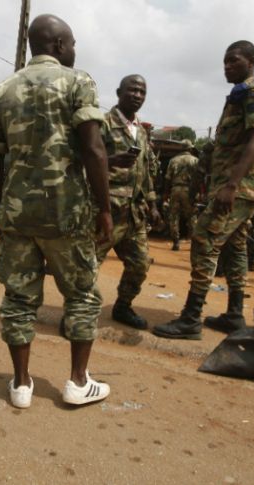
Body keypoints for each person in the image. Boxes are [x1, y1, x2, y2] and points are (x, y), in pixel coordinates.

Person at [0, 14, 114, 409]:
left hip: (18, 216)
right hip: (67, 214)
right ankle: (78, 381)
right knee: (81, 295)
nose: (75, 51)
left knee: (19, 299)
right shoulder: (79, 83)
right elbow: (93, 149)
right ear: (58, 46)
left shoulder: (4, 89)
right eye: (72, 44)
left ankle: (22, 385)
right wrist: (105, 209)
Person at [153, 40, 254, 339]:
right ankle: (234, 315)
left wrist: (232, 184)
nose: (226, 66)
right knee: (234, 249)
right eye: (224, 61)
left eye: (233, 60)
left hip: (240, 187)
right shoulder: (239, 96)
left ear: (251, 62)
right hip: (238, 187)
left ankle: (191, 318)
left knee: (204, 238)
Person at [95, 75, 163, 330]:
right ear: (118, 92)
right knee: (89, 265)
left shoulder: (142, 132)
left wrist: (153, 204)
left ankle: (123, 306)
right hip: (106, 211)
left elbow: (145, 171)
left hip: (134, 213)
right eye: (132, 90)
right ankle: (78, 314)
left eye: (142, 92)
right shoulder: (102, 124)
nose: (137, 95)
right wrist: (111, 161)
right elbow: (84, 161)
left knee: (139, 263)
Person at [164, 139, 200, 251]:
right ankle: (194, 243)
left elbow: (167, 179)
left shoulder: (173, 160)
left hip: (175, 189)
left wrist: (166, 193)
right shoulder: (195, 161)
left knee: (174, 216)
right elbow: (199, 179)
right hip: (189, 190)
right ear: (190, 148)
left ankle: (175, 242)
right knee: (192, 216)